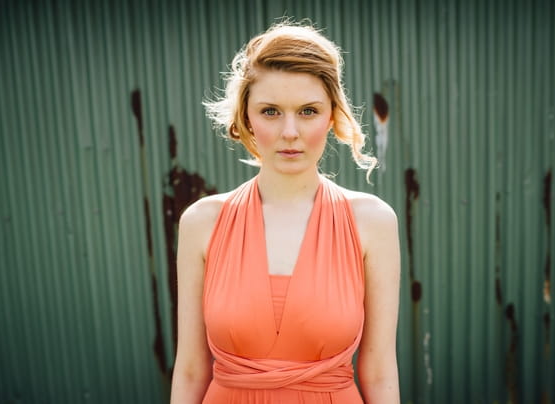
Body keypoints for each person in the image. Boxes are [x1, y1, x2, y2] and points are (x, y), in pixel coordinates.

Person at [170, 21, 401, 404]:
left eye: (308, 111)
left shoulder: (373, 222)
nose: (290, 131)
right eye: (271, 111)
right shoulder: (201, 223)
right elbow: (192, 368)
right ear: (246, 117)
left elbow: (378, 371)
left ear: (331, 116)